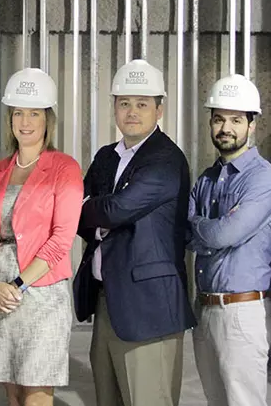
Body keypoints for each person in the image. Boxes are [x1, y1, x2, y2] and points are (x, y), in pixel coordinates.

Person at [73, 59, 195, 406]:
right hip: (106, 299)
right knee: (107, 399)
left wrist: (93, 206)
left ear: (159, 109)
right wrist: (96, 209)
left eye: (142, 104)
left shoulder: (165, 159)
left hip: (148, 309)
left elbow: (117, 209)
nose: (132, 111)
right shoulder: (106, 157)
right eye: (124, 102)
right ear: (114, 106)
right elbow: (82, 219)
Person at [0, 68, 83, 406]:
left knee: (36, 391)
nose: (25, 121)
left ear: (47, 119)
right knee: (12, 391)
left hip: (41, 294)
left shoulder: (64, 167)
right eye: (18, 112)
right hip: (0, 290)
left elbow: (61, 240)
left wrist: (18, 285)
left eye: (34, 113)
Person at [188, 74, 271, 406]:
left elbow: (225, 233)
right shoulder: (207, 177)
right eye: (218, 119)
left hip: (242, 313)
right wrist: (209, 231)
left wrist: (204, 228)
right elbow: (186, 232)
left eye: (235, 120)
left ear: (252, 124)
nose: (225, 127)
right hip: (205, 308)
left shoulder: (264, 179)